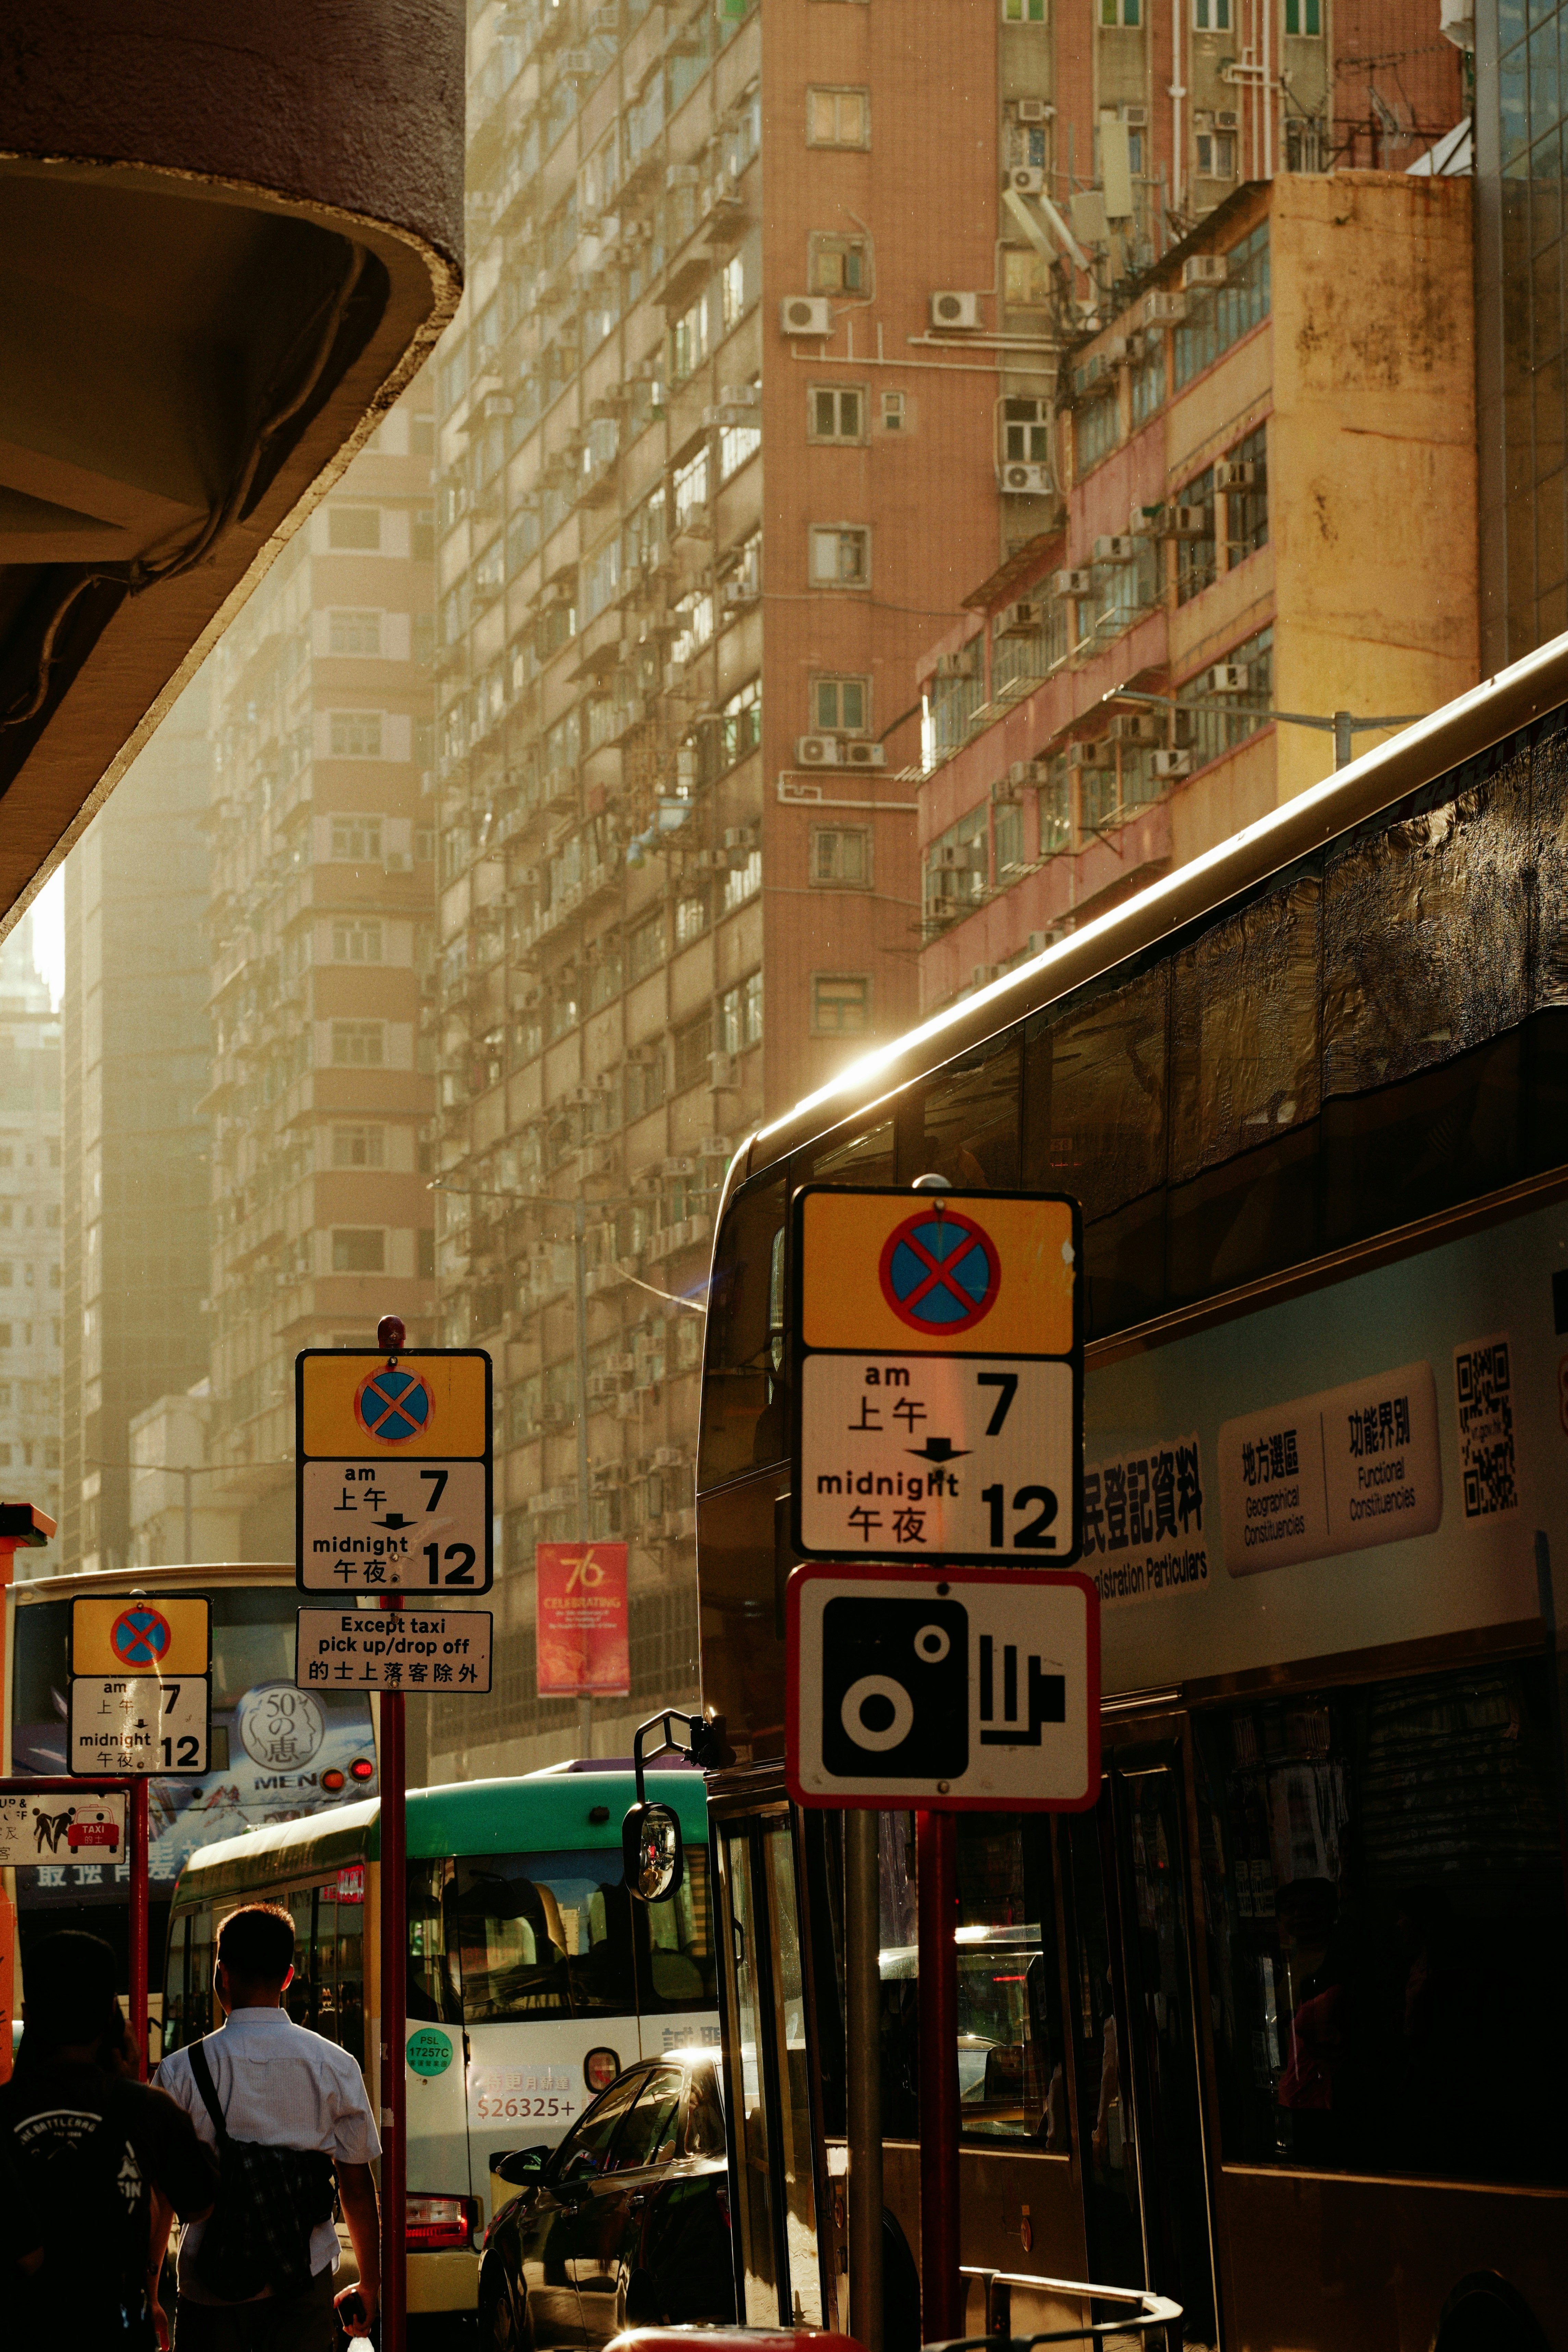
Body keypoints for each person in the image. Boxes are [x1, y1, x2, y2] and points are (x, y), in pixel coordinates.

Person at [157, 1902, 381, 2352]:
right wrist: (371, 2285)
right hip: (301, 2285)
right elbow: (356, 2189)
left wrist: (149, 2295)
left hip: (209, 2290)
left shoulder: (180, 2071)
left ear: (222, 1974)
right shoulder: (334, 2065)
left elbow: (159, 2197)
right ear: (288, 1976)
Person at [0, 1928, 217, 2349]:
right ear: (112, 2019)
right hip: (116, 2332)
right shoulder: (149, 2110)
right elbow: (200, 2201)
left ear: (30, 2013)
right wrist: (129, 2085)